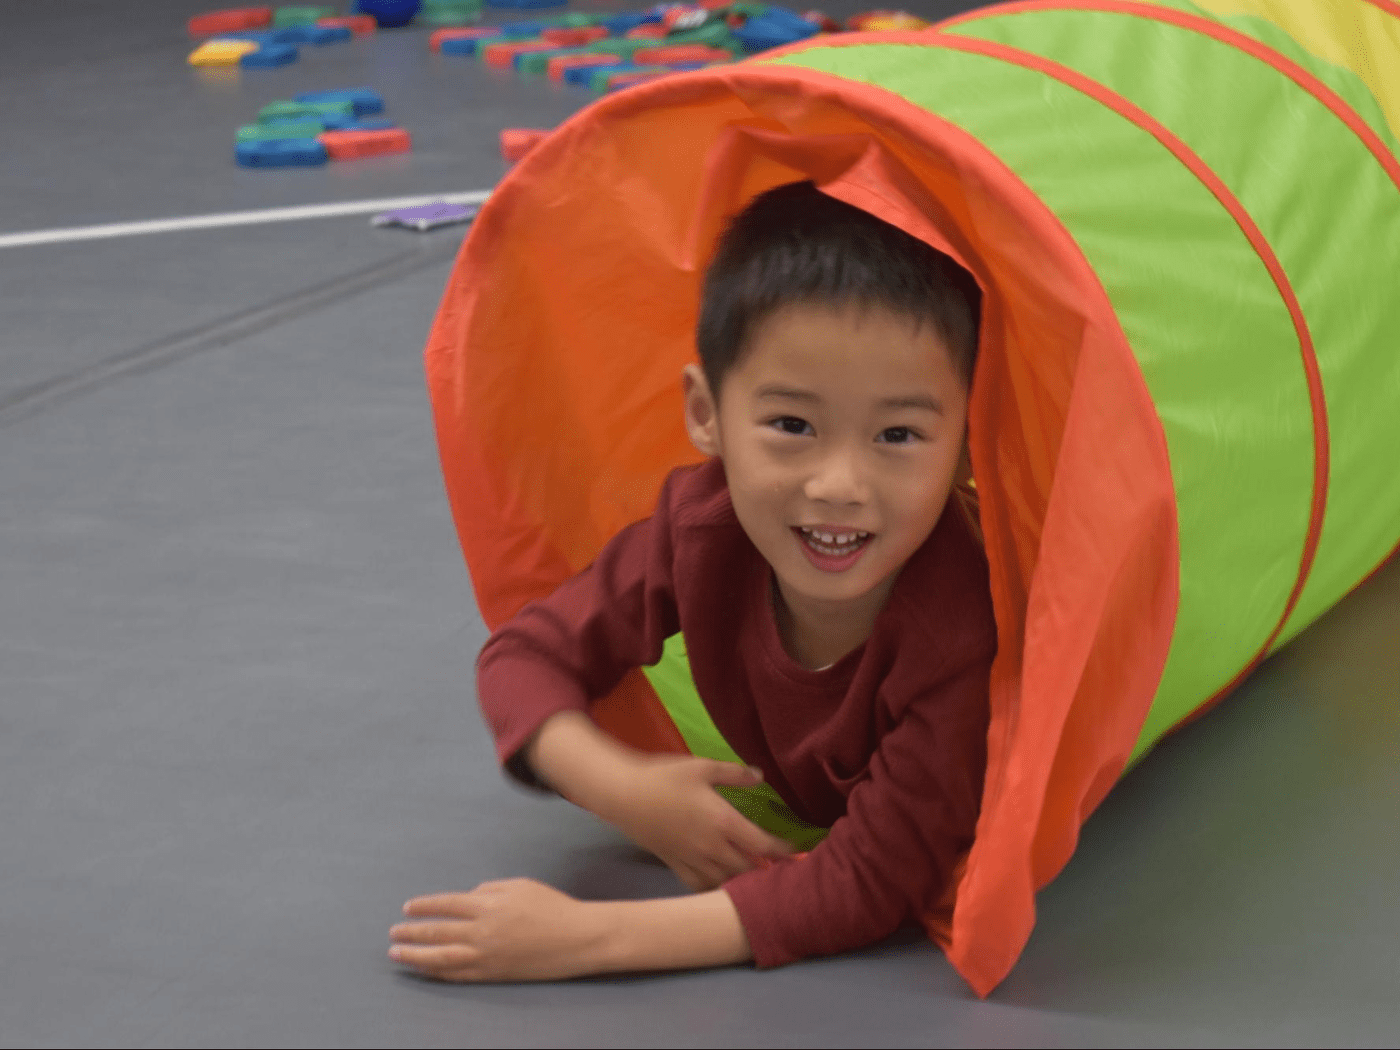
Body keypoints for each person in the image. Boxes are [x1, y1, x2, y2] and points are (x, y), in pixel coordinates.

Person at [389, 180, 994, 981]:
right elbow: (525, 657)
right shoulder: (702, 532)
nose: (840, 483)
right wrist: (626, 790)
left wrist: (588, 939)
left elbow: (872, 882)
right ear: (706, 414)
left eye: (898, 434)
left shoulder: (957, 627)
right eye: (792, 426)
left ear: (962, 446)